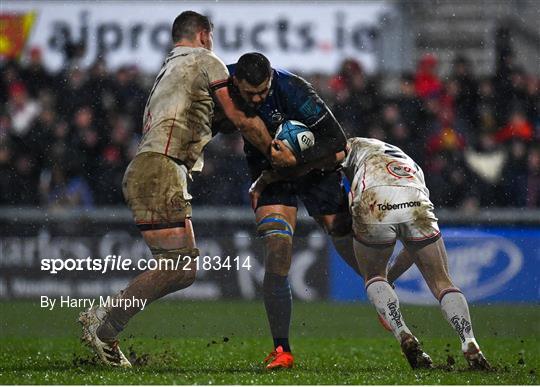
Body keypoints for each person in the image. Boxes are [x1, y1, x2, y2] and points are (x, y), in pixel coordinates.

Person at [78, 11, 277, 367]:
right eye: (211, 37)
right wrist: (275, 152)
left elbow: (213, 120)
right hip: (160, 168)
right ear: (203, 35)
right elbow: (239, 118)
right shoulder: (206, 60)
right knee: (179, 267)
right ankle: (104, 322)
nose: (212, 44)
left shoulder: (170, 68)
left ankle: (105, 322)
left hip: (155, 166)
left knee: (182, 268)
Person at [250, 137, 491, 370]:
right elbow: (410, 249)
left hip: (374, 198)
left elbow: (315, 163)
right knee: (442, 282)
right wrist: (392, 278)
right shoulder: (409, 164)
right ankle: (469, 341)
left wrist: (268, 177)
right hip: (414, 198)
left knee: (373, 276)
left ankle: (403, 333)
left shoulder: (349, 144)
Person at [219, 53, 361, 369]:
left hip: (315, 166)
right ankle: (281, 349)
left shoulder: (295, 89)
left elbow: (337, 141)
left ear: (271, 78)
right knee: (278, 247)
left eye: (263, 91)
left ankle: (378, 287)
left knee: (339, 229)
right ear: (237, 82)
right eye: (250, 93)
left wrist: (297, 162)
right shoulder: (220, 81)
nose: (256, 98)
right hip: (267, 168)